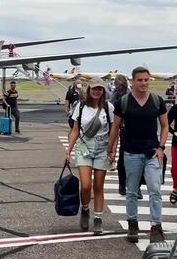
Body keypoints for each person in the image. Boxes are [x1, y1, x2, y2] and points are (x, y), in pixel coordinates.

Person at [108, 66, 168, 243]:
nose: (144, 83)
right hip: (131, 152)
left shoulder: (157, 101)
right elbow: (115, 127)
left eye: (146, 80)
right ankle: (132, 223)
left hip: (152, 152)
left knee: (155, 190)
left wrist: (161, 148)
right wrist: (110, 149)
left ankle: (156, 226)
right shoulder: (124, 102)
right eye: (140, 80)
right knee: (132, 191)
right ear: (132, 81)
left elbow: (164, 126)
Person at [66, 78, 114, 235]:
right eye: (94, 88)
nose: (96, 91)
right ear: (89, 90)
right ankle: (85, 209)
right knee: (86, 185)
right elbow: (74, 130)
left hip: (102, 147)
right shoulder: (80, 107)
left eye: (100, 89)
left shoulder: (109, 107)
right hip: (84, 146)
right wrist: (68, 151)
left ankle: (98, 219)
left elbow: (114, 131)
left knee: (98, 186)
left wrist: (112, 150)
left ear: (103, 91)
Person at [109, 74, 129, 196]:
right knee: (122, 157)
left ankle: (135, 187)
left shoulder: (129, 93)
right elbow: (112, 106)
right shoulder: (115, 94)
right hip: (120, 126)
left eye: (118, 84)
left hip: (130, 126)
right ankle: (122, 184)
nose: (117, 86)